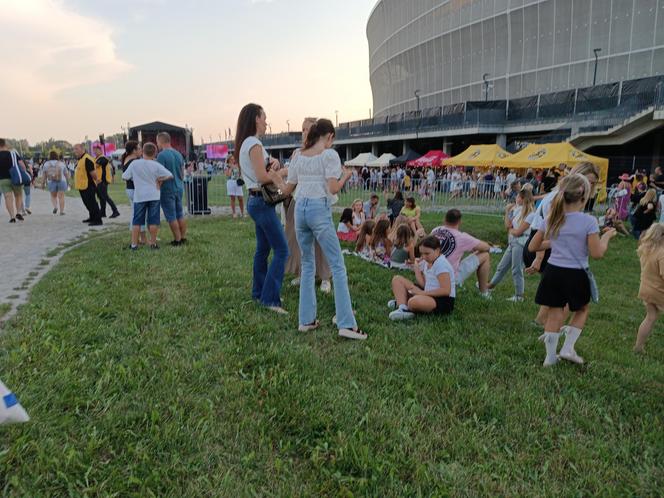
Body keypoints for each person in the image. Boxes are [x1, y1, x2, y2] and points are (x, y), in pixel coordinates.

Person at [269, 118, 366, 340]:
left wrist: (275, 177)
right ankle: (346, 323)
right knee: (338, 265)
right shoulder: (329, 154)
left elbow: (286, 189)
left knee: (307, 263)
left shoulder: (299, 155)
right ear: (329, 136)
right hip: (317, 208)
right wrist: (346, 176)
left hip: (299, 209)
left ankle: (306, 320)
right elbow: (332, 188)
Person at [529, 174, 617, 367]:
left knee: (554, 312)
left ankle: (550, 357)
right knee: (582, 308)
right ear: (584, 196)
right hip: (576, 273)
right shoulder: (589, 221)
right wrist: (607, 237)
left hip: (553, 271)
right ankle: (568, 348)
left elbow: (533, 247)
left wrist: (557, 241)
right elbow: (597, 253)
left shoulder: (552, 218)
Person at [526, 162, 602, 327]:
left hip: (550, 245)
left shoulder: (569, 199)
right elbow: (546, 228)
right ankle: (552, 328)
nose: (591, 186)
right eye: (588, 181)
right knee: (567, 296)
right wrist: (538, 259)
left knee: (556, 295)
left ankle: (542, 325)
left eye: (594, 183)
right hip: (545, 245)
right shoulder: (560, 199)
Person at [236, 103, 289, 314]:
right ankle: (270, 299)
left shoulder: (247, 144)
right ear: (256, 118)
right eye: (264, 117)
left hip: (256, 200)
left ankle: (260, 292)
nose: (267, 122)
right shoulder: (254, 144)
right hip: (261, 202)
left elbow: (263, 169)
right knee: (282, 250)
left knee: (263, 250)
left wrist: (274, 164)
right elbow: (262, 177)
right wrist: (285, 172)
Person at [284, 118, 332, 293]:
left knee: (321, 240)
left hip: (319, 201)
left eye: (308, 129)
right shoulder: (298, 153)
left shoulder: (324, 152)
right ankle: (304, 273)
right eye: (302, 129)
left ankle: (325, 277)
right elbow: (291, 178)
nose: (305, 133)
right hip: (299, 200)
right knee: (299, 240)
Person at [388, 235, 456, 320]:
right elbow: (423, 284)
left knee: (413, 302)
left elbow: (446, 291)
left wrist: (421, 293)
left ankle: (405, 302)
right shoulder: (427, 261)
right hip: (427, 292)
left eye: (427, 253)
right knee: (397, 279)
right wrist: (416, 267)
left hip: (442, 300)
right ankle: (403, 308)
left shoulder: (441, 264)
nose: (423, 257)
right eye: (422, 254)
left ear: (437, 250)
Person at [121, 142, 173, 250]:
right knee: (153, 220)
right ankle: (153, 243)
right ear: (155, 153)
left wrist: (135, 178)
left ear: (143, 151)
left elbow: (124, 176)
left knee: (137, 221)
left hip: (139, 196)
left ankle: (134, 245)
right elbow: (170, 175)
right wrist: (160, 179)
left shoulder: (135, 164)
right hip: (154, 195)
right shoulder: (156, 165)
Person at [487, 187, 535, 301]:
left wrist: (511, 231)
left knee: (516, 269)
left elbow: (518, 232)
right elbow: (508, 225)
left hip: (521, 243)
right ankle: (490, 286)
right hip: (512, 242)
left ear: (523, 199)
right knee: (501, 267)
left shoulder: (531, 214)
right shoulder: (517, 209)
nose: (515, 198)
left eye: (518, 196)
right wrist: (507, 211)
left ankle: (519, 296)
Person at [430, 209, 491, 297]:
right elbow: (486, 247)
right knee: (485, 255)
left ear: (444, 219)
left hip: (430, 273)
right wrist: (474, 247)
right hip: (449, 277)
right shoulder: (462, 237)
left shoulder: (435, 230)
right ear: (459, 221)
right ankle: (484, 292)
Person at [634, 223, 664, 353]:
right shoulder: (662, 252)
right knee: (651, 317)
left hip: (646, 288)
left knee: (650, 317)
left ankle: (638, 347)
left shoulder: (645, 249)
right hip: (659, 291)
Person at [156, 132, 187, 246]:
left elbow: (159, 174)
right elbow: (182, 173)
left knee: (171, 216)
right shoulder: (178, 154)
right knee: (180, 213)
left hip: (167, 188)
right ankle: (183, 238)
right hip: (179, 187)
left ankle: (177, 240)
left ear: (160, 141)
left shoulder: (161, 155)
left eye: (157, 141)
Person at [121, 141, 147, 245]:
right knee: (139, 215)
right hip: (136, 190)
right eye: (139, 148)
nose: (141, 150)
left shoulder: (127, 159)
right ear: (134, 151)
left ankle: (139, 238)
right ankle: (141, 239)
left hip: (130, 189)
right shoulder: (135, 161)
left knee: (136, 214)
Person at [73, 143, 102, 226]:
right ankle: (92, 217)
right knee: (87, 203)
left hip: (88, 185)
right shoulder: (80, 159)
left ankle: (98, 220)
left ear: (83, 149)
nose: (75, 151)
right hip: (82, 186)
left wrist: (97, 180)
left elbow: (93, 173)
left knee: (92, 203)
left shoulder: (87, 159)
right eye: (74, 149)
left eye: (77, 149)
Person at [0, 138, 25, 223]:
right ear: (5, 144)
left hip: (3, 179)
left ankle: (12, 217)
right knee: (18, 195)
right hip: (15, 177)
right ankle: (18, 212)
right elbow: (22, 165)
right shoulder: (13, 153)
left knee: (8, 197)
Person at [93, 145, 120, 219]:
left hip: (103, 181)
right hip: (99, 181)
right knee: (101, 197)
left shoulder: (103, 158)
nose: (94, 152)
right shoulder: (97, 158)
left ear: (100, 150)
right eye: (94, 150)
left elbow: (95, 166)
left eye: (96, 150)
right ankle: (103, 212)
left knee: (105, 197)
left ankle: (115, 211)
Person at [41, 151, 69, 215]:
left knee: (53, 196)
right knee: (61, 197)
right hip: (62, 181)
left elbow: (44, 175)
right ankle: (61, 211)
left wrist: (42, 183)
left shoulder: (46, 164)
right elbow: (66, 174)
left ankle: (55, 207)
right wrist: (68, 182)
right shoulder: (61, 163)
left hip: (51, 181)